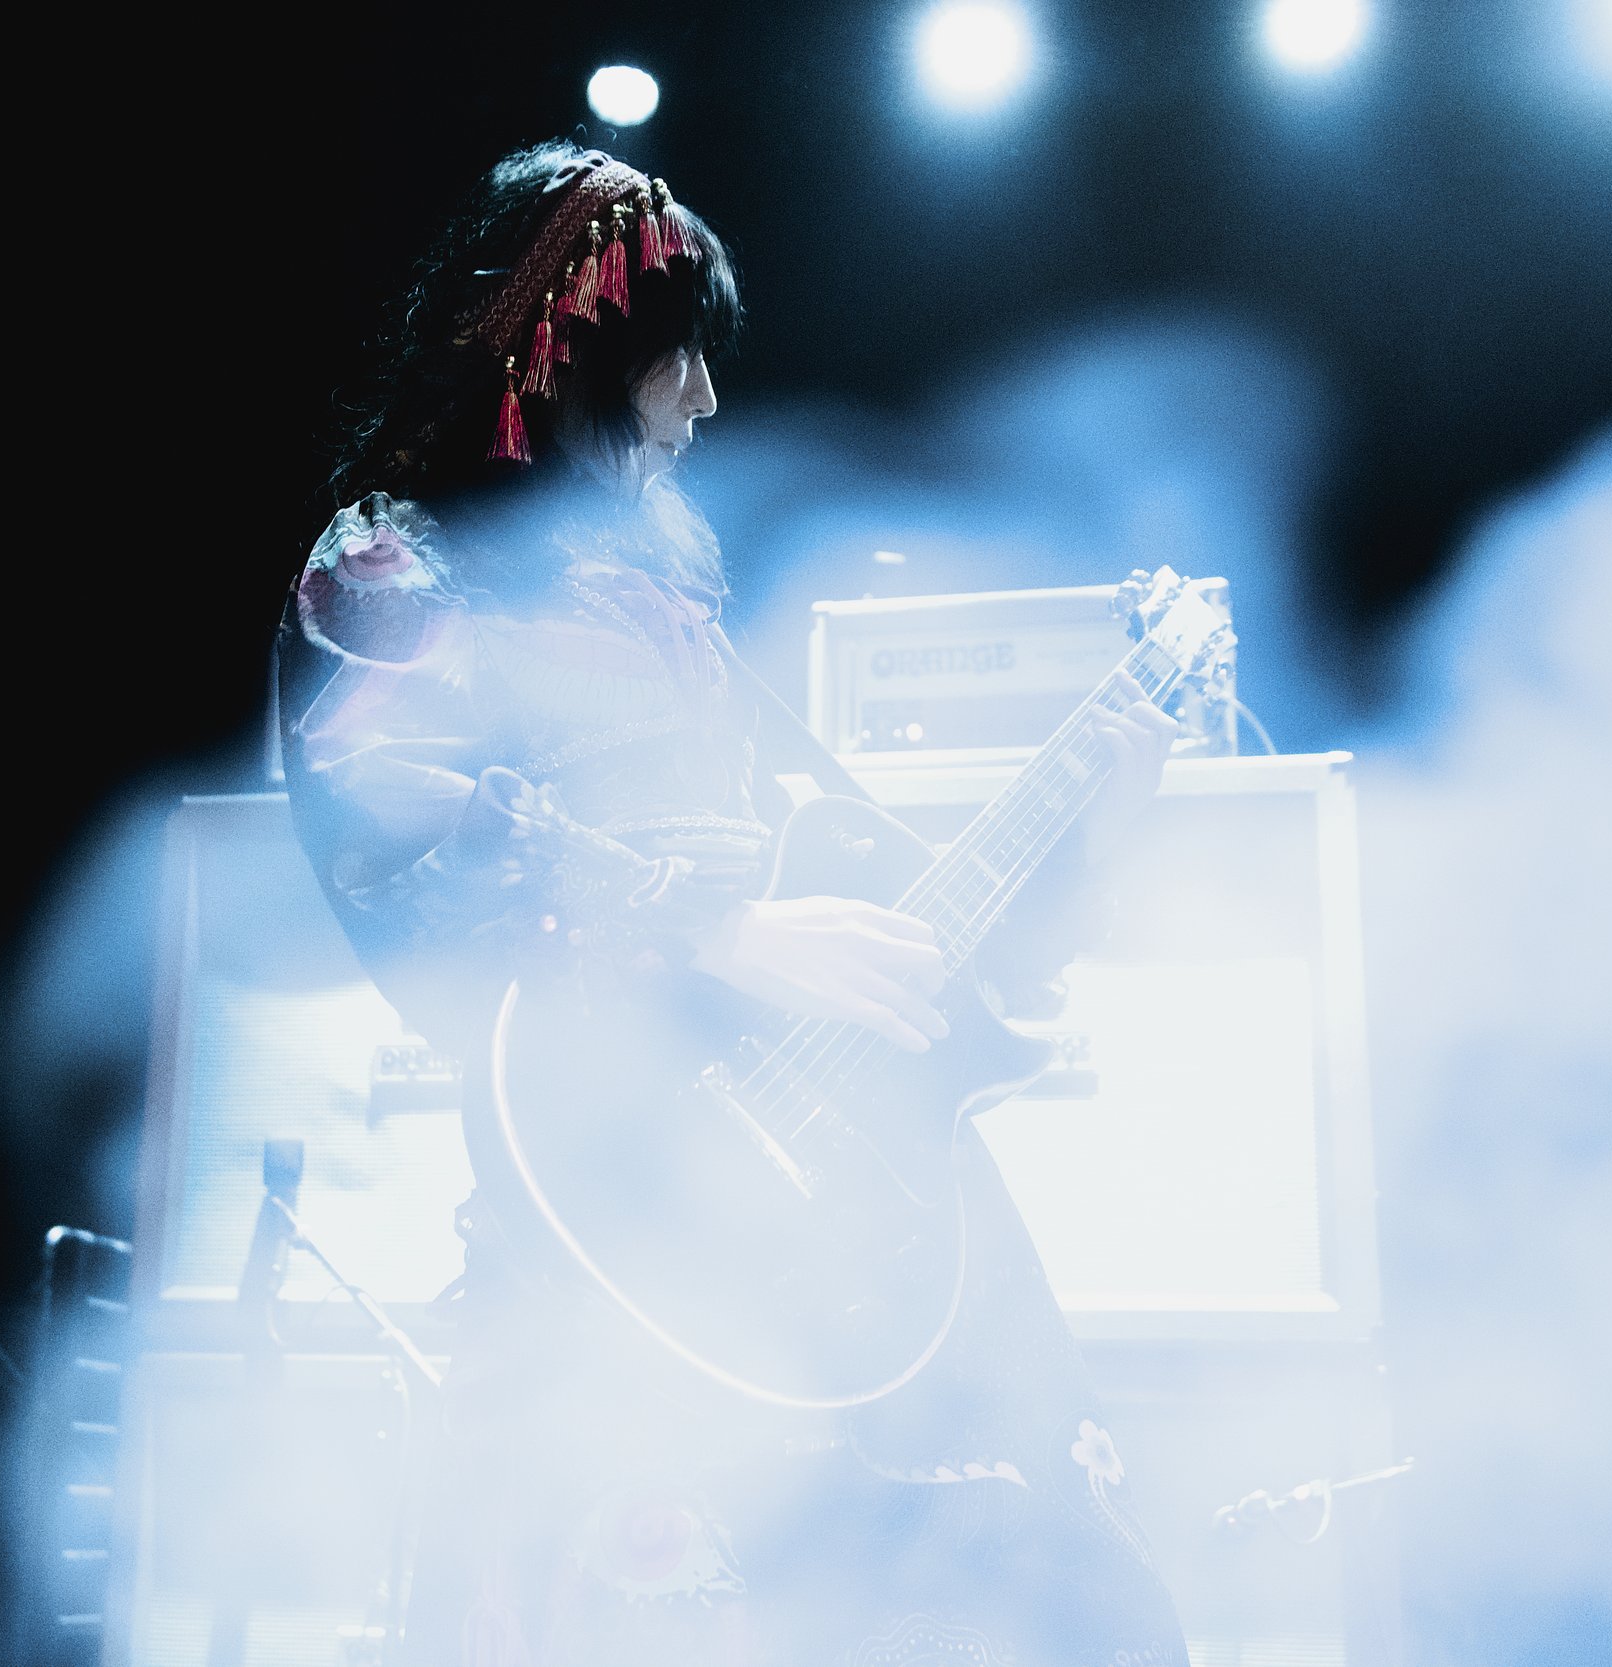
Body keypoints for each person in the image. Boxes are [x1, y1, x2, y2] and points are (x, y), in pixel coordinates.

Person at [277, 141, 1188, 1667]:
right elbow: (388, 817)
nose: (704, 399)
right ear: (577, 356)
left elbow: (862, 877)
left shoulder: (669, 599)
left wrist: (1093, 824)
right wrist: (711, 933)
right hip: (603, 1242)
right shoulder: (398, 563)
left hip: (818, 1235)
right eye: (676, 353)